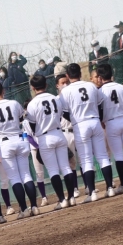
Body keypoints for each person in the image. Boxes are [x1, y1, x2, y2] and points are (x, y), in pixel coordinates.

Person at [0, 82, 40, 218]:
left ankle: (24, 209)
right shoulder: (14, 103)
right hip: (19, 139)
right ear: (3, 91)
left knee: (14, 178)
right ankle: (34, 206)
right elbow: (21, 119)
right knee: (26, 175)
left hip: (5, 143)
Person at [59, 63, 115, 201]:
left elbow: (64, 113)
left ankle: (92, 193)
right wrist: (99, 118)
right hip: (95, 121)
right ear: (80, 73)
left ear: (67, 76)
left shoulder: (65, 91)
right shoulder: (91, 86)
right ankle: (110, 188)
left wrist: (74, 119)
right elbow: (100, 105)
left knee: (86, 160)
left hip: (80, 125)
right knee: (103, 156)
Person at [26, 74, 78, 210]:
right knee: (66, 167)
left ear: (33, 88)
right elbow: (61, 116)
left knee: (53, 170)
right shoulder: (55, 98)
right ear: (46, 85)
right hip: (59, 133)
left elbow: (32, 126)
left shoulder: (32, 104)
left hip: (44, 137)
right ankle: (71, 197)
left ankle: (62, 200)